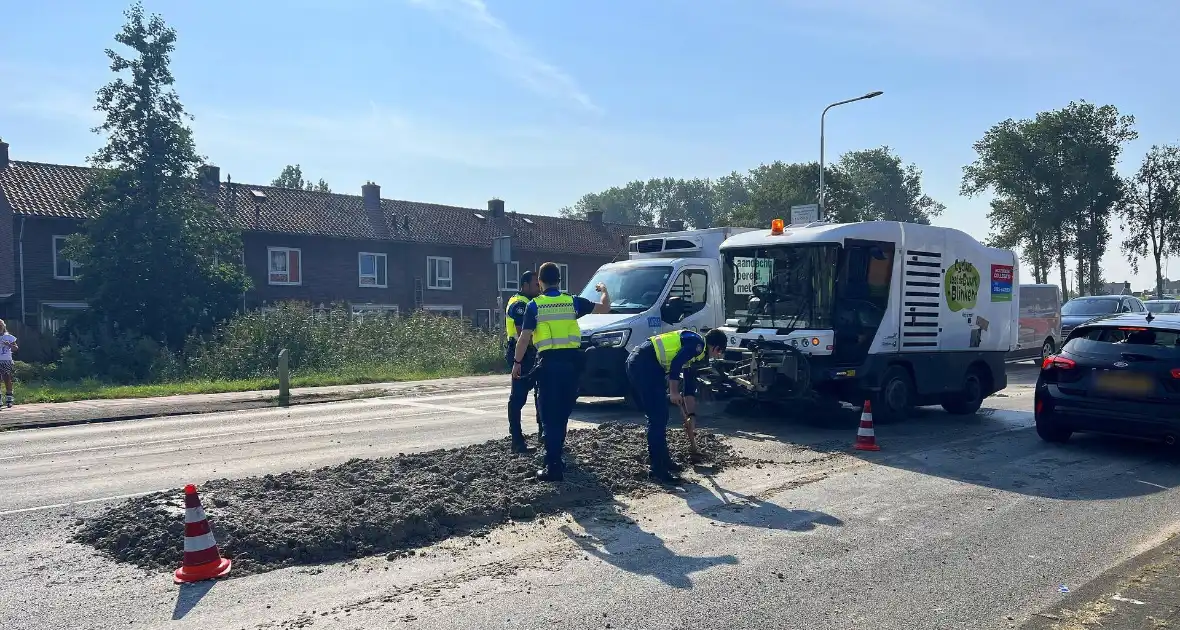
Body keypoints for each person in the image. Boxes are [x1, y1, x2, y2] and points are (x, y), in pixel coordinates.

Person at [511, 262, 611, 481]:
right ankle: (556, 457)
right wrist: (603, 290)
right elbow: (604, 308)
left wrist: (517, 363)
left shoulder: (535, 305)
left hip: (548, 366)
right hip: (573, 366)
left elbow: (524, 338)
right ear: (559, 280)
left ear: (540, 282)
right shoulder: (572, 302)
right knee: (563, 413)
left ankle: (553, 466)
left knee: (549, 415)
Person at [626, 327, 728, 483]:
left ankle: (665, 462)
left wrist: (691, 416)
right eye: (719, 353)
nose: (717, 356)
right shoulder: (696, 344)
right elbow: (675, 364)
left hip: (649, 366)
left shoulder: (696, 353)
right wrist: (673, 391)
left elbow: (689, 388)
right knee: (657, 418)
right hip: (643, 364)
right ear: (715, 347)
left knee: (661, 416)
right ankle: (657, 470)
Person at [505, 270, 544, 453]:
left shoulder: (531, 302)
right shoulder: (520, 304)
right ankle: (517, 441)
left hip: (531, 354)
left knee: (540, 395)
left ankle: (543, 436)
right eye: (536, 284)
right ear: (525, 285)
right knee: (518, 398)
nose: (539, 287)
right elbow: (523, 334)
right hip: (523, 354)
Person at [0, 320, 17, 409]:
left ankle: (9, 399)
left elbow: (15, 348)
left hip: (6, 360)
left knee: (7, 378)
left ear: (3, 326)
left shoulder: (9, 337)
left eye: (0, 325)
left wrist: (9, 345)